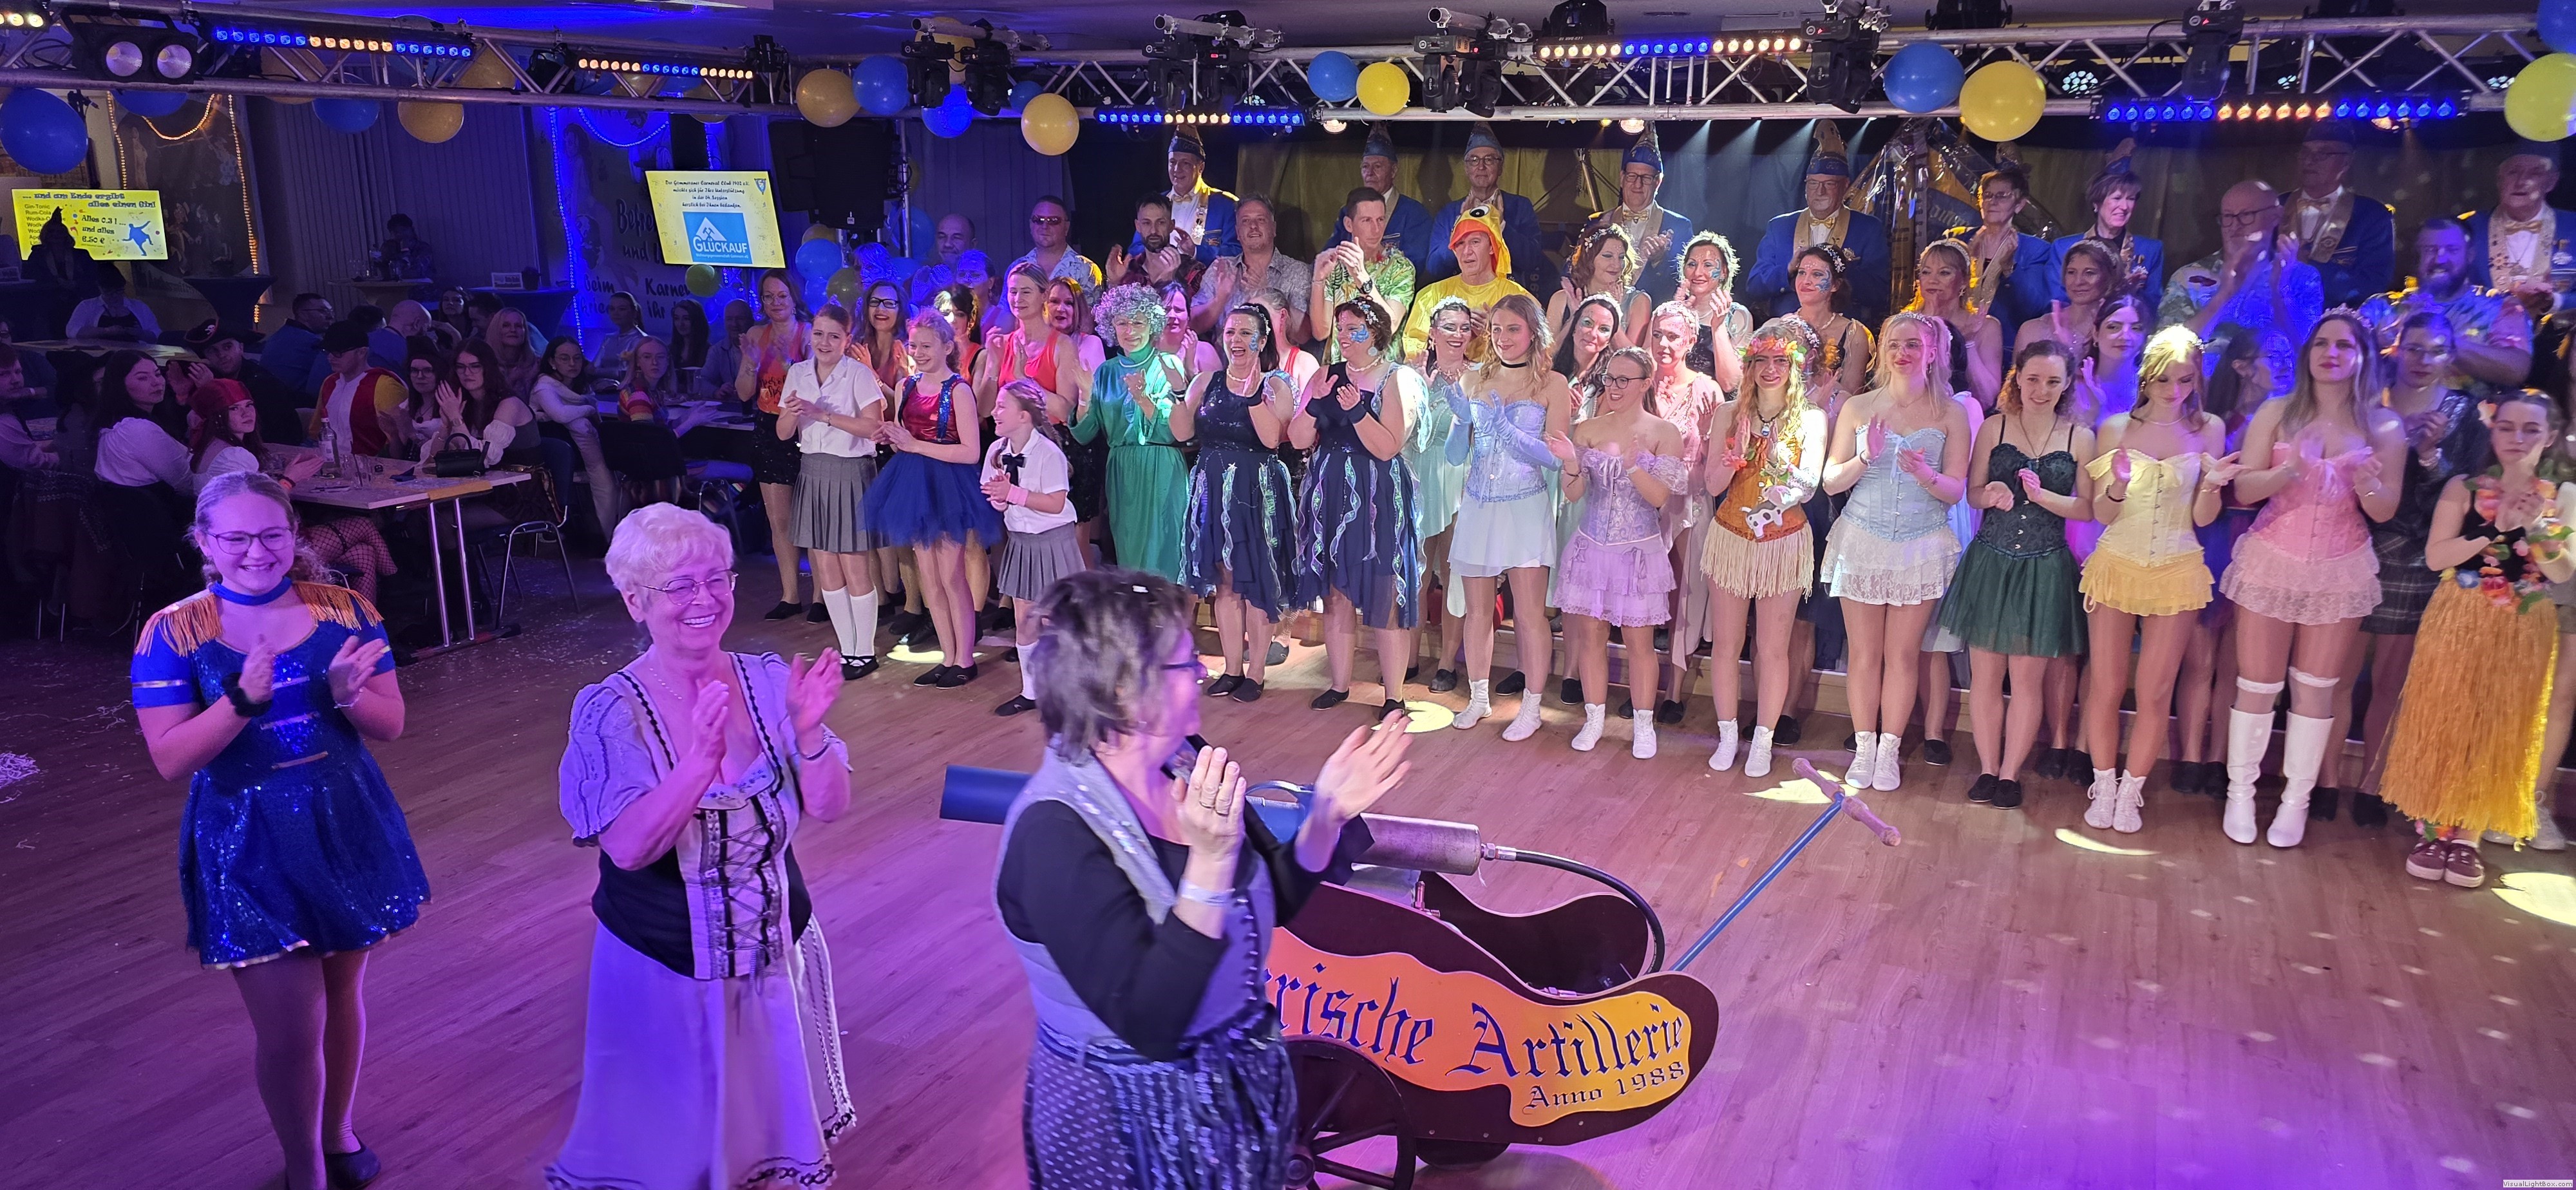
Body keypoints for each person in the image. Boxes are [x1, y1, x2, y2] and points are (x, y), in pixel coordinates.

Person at [996, 568, 1409, 1189]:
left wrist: (1325, 816)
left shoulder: (1184, 756)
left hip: (1235, 1103)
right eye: (1186, 662)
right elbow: (1153, 1023)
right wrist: (1209, 863)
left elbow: (1268, 903)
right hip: (1126, 1128)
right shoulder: (1054, 832)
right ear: (1123, 689)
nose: (1202, 673)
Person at [128, 471, 421, 1190]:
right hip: (247, 836)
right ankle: (305, 1169)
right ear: (205, 542)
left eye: (271, 535)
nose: (256, 553)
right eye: (236, 538)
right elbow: (170, 759)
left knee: (342, 994)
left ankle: (337, 1133)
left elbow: (391, 724)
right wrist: (239, 702)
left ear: (294, 535)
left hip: (344, 819)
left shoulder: (345, 610)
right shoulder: (174, 630)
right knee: (290, 1029)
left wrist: (348, 699)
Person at [549, 503, 853, 1190]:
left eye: (717, 579)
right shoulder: (612, 710)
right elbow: (629, 848)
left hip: (775, 960)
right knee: (678, 1156)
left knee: (764, 1144)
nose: (705, 600)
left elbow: (832, 806)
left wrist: (809, 734)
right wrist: (697, 765)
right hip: (667, 971)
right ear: (635, 601)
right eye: (680, 586)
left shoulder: (769, 681)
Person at [2214, 311, 2405, 847]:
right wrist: (2287, 471)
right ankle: (2240, 794)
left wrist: (2366, 484)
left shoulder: (2384, 426)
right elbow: (2244, 490)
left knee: (2316, 691)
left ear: (2362, 357)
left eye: (2344, 345)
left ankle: (2295, 803)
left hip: (2340, 565)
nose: (2331, 353)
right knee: (2257, 684)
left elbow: (2385, 509)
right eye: (2322, 343)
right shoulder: (2277, 412)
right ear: (2308, 353)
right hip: (2274, 555)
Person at [2379, 391, 2575, 886]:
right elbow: (2437, 557)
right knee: (2445, 717)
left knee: (2497, 723)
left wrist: (2536, 525)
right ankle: (2433, 828)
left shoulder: (2563, 496)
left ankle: (2468, 836)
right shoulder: (2463, 488)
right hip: (2459, 614)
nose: (2517, 438)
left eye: (2531, 429)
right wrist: (2494, 530)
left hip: (2525, 625)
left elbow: (2562, 571)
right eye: (2507, 427)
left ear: (2550, 436)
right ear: (2493, 430)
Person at [2079, 326, 2244, 833]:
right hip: (2118, 560)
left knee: (2154, 692)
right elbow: (2102, 514)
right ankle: (2103, 786)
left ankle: (2131, 794)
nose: (2174, 390)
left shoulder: (2209, 429)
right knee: (2107, 686)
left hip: (2177, 566)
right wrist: (2118, 486)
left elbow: (2203, 517)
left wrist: (2213, 487)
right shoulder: (2115, 428)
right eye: (2164, 379)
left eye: (2185, 380)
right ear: (2146, 377)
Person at [2332, 313, 2490, 826]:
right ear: (2396, 349)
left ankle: (2373, 786)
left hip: (2415, 559)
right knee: (2334, 678)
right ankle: (2324, 783)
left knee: (2389, 684)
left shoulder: (2464, 414)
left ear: (2450, 358)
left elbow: (2463, 494)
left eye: (2436, 351)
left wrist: (2427, 455)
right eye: (2414, 348)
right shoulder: (2365, 401)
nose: (2423, 360)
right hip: (2351, 548)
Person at [1818, 312, 1973, 793]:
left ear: (1932, 352)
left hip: (1920, 544)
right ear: (1882, 351)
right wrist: (1867, 456)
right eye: (1894, 344)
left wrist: (1925, 474)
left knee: (1904, 656)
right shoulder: (1859, 406)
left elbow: (1955, 490)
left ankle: (1889, 751)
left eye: (1913, 345)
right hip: (1863, 537)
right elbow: (1830, 480)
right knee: (1864, 654)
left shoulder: (1951, 413)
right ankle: (1864, 748)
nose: (1902, 353)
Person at [1940, 340, 2094, 810]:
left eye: (2052, 381)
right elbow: (1971, 493)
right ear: (2018, 377)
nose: (2041, 390)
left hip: (2045, 567)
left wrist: (2045, 497)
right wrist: (1991, 494)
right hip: (1992, 561)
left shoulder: (2080, 437)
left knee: (2027, 681)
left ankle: (2010, 774)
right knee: (1985, 677)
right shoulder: (1995, 426)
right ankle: (1988, 769)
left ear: (2067, 384)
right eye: (2033, 379)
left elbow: (2088, 508)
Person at [1535, 343, 1683, 757]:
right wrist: (1571, 461)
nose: (1614, 387)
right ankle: (1594, 719)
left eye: (1623, 380)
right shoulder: (1588, 429)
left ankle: (1644, 726)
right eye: (1609, 378)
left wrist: (1633, 464)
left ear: (1645, 383)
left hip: (1637, 552)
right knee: (1591, 637)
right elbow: (1574, 493)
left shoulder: (1664, 433)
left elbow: (1659, 498)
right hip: (1592, 546)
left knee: (1640, 643)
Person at [1703, 319, 1829, 777]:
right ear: (1750, 365)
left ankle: (1763, 740)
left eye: (1780, 361)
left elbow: (1809, 486)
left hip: (1783, 541)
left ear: (1794, 367)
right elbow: (1711, 484)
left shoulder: (1811, 418)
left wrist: (1780, 473)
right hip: (1731, 536)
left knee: (1774, 648)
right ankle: (1727, 735)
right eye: (1762, 360)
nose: (1770, 369)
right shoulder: (1728, 414)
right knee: (1727, 644)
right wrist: (1732, 459)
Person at [1443, 293, 1567, 738]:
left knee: (1530, 615)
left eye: (1513, 329)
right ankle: (1478, 698)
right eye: (1496, 329)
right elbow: (1455, 455)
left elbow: (1556, 458)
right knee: (1478, 612)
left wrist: (1507, 431)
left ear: (1533, 332)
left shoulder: (1553, 384)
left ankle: (1532, 707)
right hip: (1479, 504)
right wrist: (1463, 421)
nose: (1503, 338)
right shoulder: (1474, 378)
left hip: (1525, 505)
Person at [1296, 299, 1422, 714]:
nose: (1345, 337)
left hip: (1375, 494)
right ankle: (1339, 684)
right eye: (1342, 328)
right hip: (1330, 491)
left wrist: (1356, 412)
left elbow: (1387, 447)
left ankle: (1394, 696)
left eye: (1355, 329)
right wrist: (1314, 403)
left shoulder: (1395, 378)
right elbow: (1297, 439)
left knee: (1384, 591)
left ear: (1376, 333)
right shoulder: (1326, 374)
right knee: (1336, 593)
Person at [867, 311, 1001, 686]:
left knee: (952, 576)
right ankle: (947, 655)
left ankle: (965, 659)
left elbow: (971, 452)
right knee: (929, 578)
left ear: (946, 347)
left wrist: (914, 445)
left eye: (927, 346)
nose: (919, 352)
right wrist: (892, 437)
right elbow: (903, 440)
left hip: (948, 486)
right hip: (914, 484)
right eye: (914, 345)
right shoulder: (906, 386)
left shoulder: (958, 390)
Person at [1176, 303, 1300, 702]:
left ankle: (1256, 672)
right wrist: (1177, 392)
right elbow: (1182, 433)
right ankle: (1231, 669)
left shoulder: (1276, 385)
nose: (1236, 340)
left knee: (1256, 579)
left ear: (1262, 342)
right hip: (1213, 487)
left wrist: (1252, 395)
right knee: (1225, 582)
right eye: (1230, 332)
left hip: (1257, 489)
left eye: (1246, 333)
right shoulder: (1206, 381)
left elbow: (1272, 439)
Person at [777, 302, 887, 683]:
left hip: (850, 472)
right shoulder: (798, 373)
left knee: (854, 564)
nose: (824, 342)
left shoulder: (858, 374)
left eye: (833, 336)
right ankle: (848, 649)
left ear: (847, 339)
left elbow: (873, 427)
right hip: (813, 471)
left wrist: (821, 414)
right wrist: (793, 411)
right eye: (819, 334)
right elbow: (783, 433)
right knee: (825, 566)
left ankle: (865, 652)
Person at [1075, 283, 1192, 588]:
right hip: (1122, 470)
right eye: (1122, 322)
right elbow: (1086, 434)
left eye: (1138, 322)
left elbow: (1174, 431)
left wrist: (1143, 399)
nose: (1130, 330)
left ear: (1152, 324)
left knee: (1164, 553)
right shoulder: (1106, 371)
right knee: (1129, 558)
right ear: (1111, 326)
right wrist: (1085, 397)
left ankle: (1169, 616)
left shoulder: (1168, 364)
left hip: (1161, 467)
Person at [1643, 301, 1726, 718]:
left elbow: (1718, 461)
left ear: (1691, 341)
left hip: (1690, 501)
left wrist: (1709, 436)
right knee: (1643, 594)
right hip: (1642, 502)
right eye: (1658, 334)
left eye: (1673, 336)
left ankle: (1673, 691)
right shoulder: (1640, 384)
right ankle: (1641, 686)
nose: (1663, 343)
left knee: (1685, 595)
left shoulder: (1707, 390)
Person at [981, 380, 1082, 716]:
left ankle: (1072, 691)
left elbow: (1055, 504)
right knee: (1025, 619)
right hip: (1022, 542)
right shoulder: (997, 451)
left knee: (1058, 618)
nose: (994, 412)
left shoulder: (1048, 454)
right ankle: (1031, 691)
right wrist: (1000, 499)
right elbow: (996, 498)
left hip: (1053, 542)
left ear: (1024, 416)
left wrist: (1013, 494)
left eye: (1002, 407)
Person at [2159, 182, 2324, 384]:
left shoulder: (2302, 278)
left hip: (2275, 397)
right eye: (2228, 217)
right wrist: (2224, 295)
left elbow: (2306, 352)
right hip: (2202, 392)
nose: (2235, 226)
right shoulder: (2188, 277)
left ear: (2275, 216)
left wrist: (2279, 290)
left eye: (2246, 215)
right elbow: (2164, 352)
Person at [2358, 217, 2534, 396]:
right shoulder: (2381, 307)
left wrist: (2436, 340)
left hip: (2473, 412)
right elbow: (2346, 355)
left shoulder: (2500, 306)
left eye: (2452, 250)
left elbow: (2516, 370)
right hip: (2387, 411)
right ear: (2417, 256)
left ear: (2470, 255)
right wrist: (2378, 345)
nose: (2440, 258)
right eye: (2430, 249)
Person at [736, 270, 814, 620]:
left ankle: (823, 598)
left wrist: (787, 363)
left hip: (804, 428)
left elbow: (816, 386)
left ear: (793, 297)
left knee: (812, 518)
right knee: (779, 519)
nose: (775, 302)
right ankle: (790, 595)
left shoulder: (809, 333)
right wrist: (752, 364)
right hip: (768, 428)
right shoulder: (756, 335)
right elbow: (743, 393)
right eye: (768, 297)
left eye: (781, 295)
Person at [1748, 146, 1893, 323]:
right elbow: (1754, 286)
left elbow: (1879, 292)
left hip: (1842, 328)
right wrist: (1788, 270)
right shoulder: (1779, 226)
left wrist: (1841, 269)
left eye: (1829, 184)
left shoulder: (1868, 228)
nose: (1820, 191)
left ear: (1845, 185)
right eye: (1813, 183)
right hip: (1786, 331)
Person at [1425, 123, 1555, 296]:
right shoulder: (1449, 213)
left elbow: (1533, 261)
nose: (1481, 167)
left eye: (1489, 160)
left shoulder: (1520, 206)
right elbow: (1434, 268)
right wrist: (1459, 227)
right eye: (1474, 160)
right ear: (1466, 168)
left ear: (1500, 167)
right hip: (1459, 298)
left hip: (1508, 298)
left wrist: (1502, 227)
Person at [1946, 165, 2061, 352]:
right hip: (1952, 343)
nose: (1992, 201)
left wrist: (2010, 269)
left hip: (2003, 349)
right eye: (1987, 195)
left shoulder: (2036, 250)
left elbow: (2034, 308)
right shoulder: (1959, 241)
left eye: (2002, 196)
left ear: (2019, 205)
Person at [2284, 122, 2395, 310]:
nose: (2309, 161)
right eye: (2305, 153)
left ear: (2347, 161)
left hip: (2338, 322)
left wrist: (2308, 266)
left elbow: (2372, 286)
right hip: (2271, 320)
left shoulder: (2371, 216)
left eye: (2323, 154)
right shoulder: (2273, 207)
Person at [1401, 206, 1532, 360]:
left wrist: (1494, 333)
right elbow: (1414, 350)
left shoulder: (1518, 297)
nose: (1466, 251)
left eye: (1475, 242)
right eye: (1460, 244)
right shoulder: (1432, 294)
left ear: (1492, 246)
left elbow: (1538, 351)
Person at [2463, 140, 2576, 318]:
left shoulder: (2573, 226)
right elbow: (2448, 291)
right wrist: (2498, 301)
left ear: (2552, 181)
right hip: (2484, 332)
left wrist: (2554, 301)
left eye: (2535, 173)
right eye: (2513, 172)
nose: (2521, 181)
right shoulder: (2468, 229)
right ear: (2499, 179)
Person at [1581, 128, 1694, 303]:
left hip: (1653, 313)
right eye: (1632, 176)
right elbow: (1577, 271)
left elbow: (1686, 282)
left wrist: (1659, 261)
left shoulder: (1679, 226)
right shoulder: (1598, 222)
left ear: (1658, 182)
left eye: (1646, 178)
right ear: (1622, 178)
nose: (1637, 184)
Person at [1312, 186, 1419, 364]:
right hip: (1341, 367)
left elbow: (1391, 326)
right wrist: (1318, 279)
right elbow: (1321, 332)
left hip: (1382, 368)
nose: (1376, 229)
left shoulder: (1400, 267)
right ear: (1349, 224)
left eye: (1380, 220)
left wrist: (1362, 278)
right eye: (1367, 221)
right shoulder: (1335, 265)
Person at [532, 335, 622, 540]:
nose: (572, 364)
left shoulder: (581, 387)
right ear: (552, 362)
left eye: (577, 358)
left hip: (581, 450)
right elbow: (560, 415)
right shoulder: (544, 386)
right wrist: (589, 409)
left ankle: (612, 533)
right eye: (565, 358)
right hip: (557, 456)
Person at [2054, 152, 2166, 311]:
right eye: (2117, 198)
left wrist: (2132, 293)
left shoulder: (2151, 249)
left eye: (2131, 199)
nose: (2124, 207)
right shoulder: (2063, 247)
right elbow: (2056, 303)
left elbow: (2154, 306)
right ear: (2096, 203)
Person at [1324, 124, 1437, 274]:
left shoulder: (1414, 213)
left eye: (1377, 166)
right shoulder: (1348, 211)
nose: (1370, 173)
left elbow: (1415, 264)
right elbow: (1329, 255)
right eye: (1365, 167)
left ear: (1394, 170)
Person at [1909, 240, 2005, 409]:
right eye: (1926, 272)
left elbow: (1988, 397)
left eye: (1944, 273)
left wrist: (1968, 343)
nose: (1933, 280)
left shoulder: (1985, 326)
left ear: (1964, 281)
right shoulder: (1902, 325)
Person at [1193, 196, 1308, 334]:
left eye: (1261, 220)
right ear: (1237, 232)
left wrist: (1268, 295)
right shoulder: (1221, 269)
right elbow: (1193, 325)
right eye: (1246, 221)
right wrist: (1220, 298)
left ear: (1274, 228)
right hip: (1223, 348)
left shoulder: (1297, 271)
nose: (1253, 226)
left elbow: (1304, 334)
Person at [1785, 245, 1873, 411]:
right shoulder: (1782, 326)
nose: (1806, 281)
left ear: (1835, 285)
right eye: (1802, 273)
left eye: (1817, 274)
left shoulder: (1853, 334)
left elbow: (1851, 400)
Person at [1129, 129, 1236, 264]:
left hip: (1207, 277)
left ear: (1201, 167)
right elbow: (1135, 249)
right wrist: (1160, 255)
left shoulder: (1226, 205)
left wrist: (1196, 252)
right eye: (1173, 162)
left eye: (1185, 163)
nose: (1177, 169)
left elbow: (1236, 251)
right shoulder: (1154, 205)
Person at [416, 347, 532, 469]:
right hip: (483, 478)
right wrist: (446, 426)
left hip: (523, 478)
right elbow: (432, 460)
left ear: (488, 369)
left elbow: (485, 458)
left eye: (475, 366)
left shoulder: (510, 404)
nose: (467, 373)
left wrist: (455, 417)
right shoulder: (464, 403)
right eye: (461, 367)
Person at [312, 321, 408, 460]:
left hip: (372, 465)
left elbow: (401, 440)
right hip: (330, 462)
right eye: (328, 352)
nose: (330, 358)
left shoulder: (385, 386)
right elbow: (317, 430)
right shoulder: (329, 383)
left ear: (362, 352)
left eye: (338, 353)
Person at [2014, 240, 2124, 358]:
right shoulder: (2034, 329)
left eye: (2089, 273)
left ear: (2109, 277)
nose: (2078, 281)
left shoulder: (2121, 331)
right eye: (2071, 272)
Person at [1674, 232, 1752, 393]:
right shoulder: (1670, 310)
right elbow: (1647, 366)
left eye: (1708, 265)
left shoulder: (1737, 316)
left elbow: (1730, 384)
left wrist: (1718, 327)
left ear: (1723, 272)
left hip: (1714, 402)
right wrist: (1673, 318)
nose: (1698, 273)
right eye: (1692, 264)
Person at [1106, 196, 1206, 294]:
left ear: (1171, 226)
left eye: (1161, 223)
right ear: (1138, 226)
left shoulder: (1192, 270)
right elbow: (1113, 305)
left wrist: (1169, 283)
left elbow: (1199, 305)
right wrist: (1114, 283)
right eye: (1147, 223)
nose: (1154, 231)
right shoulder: (1128, 271)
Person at [1010, 195, 1104, 299]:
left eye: (1053, 220)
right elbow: (1005, 308)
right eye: (1038, 220)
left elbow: (1091, 309)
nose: (1045, 226)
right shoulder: (1017, 267)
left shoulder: (1086, 269)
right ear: (1031, 225)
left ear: (1066, 227)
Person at [66, 263, 161, 343]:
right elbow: (72, 331)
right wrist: (105, 331)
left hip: (135, 354)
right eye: (109, 293)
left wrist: (141, 334)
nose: (115, 296)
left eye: (119, 291)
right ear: (100, 289)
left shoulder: (139, 307)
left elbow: (157, 334)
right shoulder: (87, 306)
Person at [265, 293, 333, 401]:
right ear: (303, 315)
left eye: (331, 311)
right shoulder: (312, 342)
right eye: (323, 311)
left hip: (273, 400)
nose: (330, 316)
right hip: (300, 403)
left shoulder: (278, 336)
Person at [853, 280, 913, 392]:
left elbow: (901, 402)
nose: (880, 308)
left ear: (900, 310)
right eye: (874, 302)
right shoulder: (859, 345)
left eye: (889, 303)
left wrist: (871, 373)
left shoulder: (907, 352)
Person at [1156, 281, 1220, 382]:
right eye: (1166, 310)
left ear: (1188, 317)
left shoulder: (1204, 351)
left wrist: (1191, 368)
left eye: (1178, 310)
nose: (1172, 315)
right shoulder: (1144, 349)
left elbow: (1215, 391)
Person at [693, 298, 751, 402]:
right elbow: (702, 381)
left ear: (751, 321)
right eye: (729, 319)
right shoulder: (718, 350)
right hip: (731, 408)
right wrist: (717, 392)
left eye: (740, 319)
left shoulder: (763, 347)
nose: (734, 324)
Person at [488, 307, 546, 404]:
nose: (513, 330)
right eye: (506, 325)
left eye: (518, 326)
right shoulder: (485, 362)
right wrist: (513, 378)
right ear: (496, 330)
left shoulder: (537, 363)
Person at [590, 291, 646, 386]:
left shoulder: (641, 340)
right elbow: (593, 367)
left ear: (634, 313)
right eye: (612, 309)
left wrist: (597, 371)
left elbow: (628, 373)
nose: (616, 313)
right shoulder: (608, 338)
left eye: (622, 309)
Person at [377, 213, 434, 280]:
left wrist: (405, 250)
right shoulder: (388, 247)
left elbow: (417, 272)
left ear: (412, 230)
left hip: (420, 286)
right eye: (396, 232)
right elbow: (383, 272)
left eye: (404, 230)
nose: (401, 234)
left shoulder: (423, 248)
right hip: (393, 286)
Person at [667, 297, 711, 378]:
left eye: (686, 319)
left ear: (697, 321)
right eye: (676, 318)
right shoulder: (669, 350)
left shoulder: (710, 352)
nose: (680, 324)